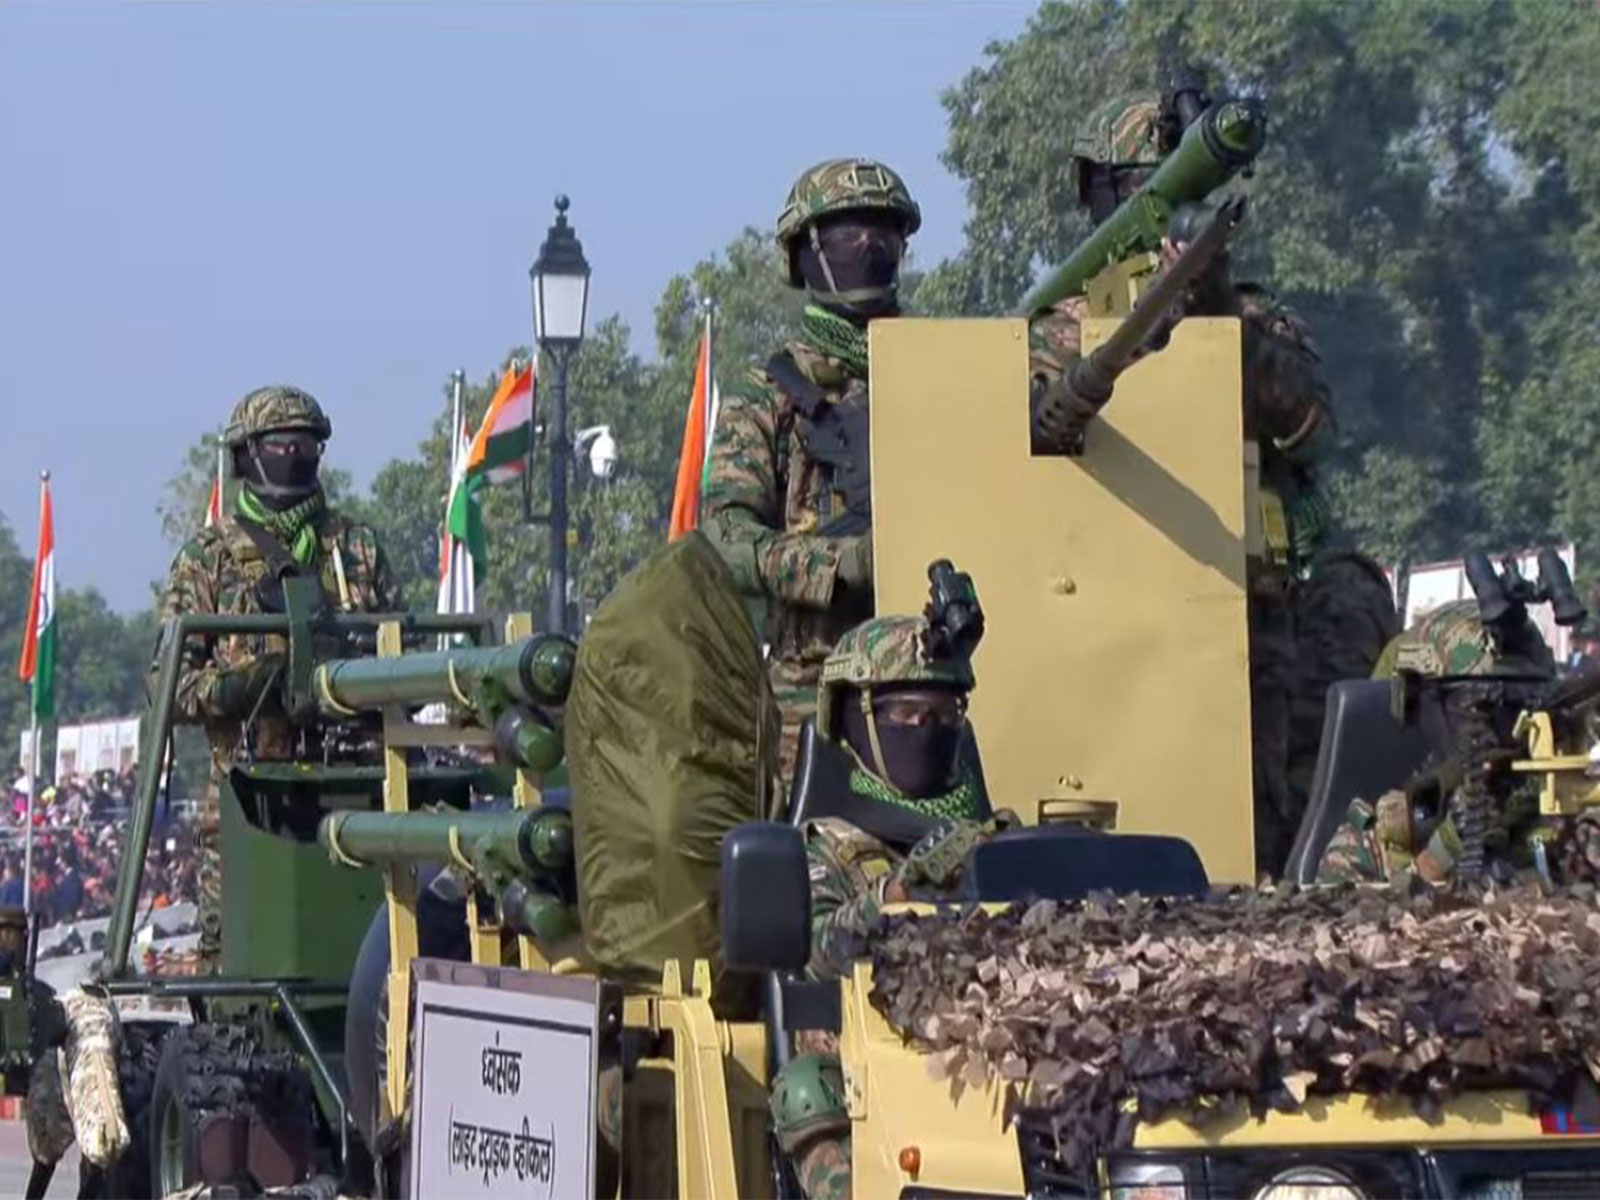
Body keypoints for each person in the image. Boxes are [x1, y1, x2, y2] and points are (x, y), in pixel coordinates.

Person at [1030, 88, 1347, 878]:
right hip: (1083, 604)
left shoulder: (1250, 315)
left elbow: (1310, 429)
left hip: (1237, 611)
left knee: (1253, 831)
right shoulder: (1052, 329)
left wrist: (1217, 323)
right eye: (1132, 190)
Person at [704, 159, 1088, 786]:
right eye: (847, 231)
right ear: (804, 254)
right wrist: (840, 567)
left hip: (945, 670)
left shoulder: (950, 367)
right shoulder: (767, 393)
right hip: (816, 683)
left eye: (884, 231)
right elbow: (725, 538)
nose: (867, 245)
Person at [153, 385, 396, 966]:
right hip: (245, 804)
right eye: (279, 442)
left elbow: (400, 654)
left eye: (306, 442)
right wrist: (241, 686)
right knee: (235, 959)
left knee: (365, 952)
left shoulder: (355, 550)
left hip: (357, 790)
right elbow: (168, 686)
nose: (294, 452)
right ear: (246, 455)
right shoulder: (206, 560)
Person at [770, 613, 1006, 1200]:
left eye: (944, 716)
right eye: (908, 715)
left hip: (985, 1049)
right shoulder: (826, 847)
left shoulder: (987, 840)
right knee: (808, 1090)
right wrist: (892, 897)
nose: (927, 730)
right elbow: (818, 952)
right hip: (866, 1065)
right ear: (857, 720)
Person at [1317, 600, 1560, 885]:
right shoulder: (1371, 843)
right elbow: (1354, 918)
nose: (1505, 726)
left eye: (1519, 704)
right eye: (1480, 707)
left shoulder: (1559, 813)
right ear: (1424, 705)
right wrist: (1446, 848)